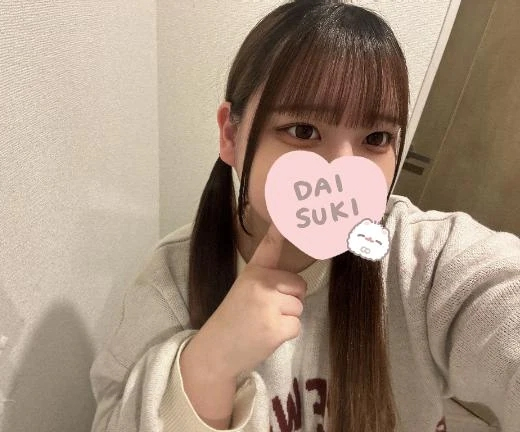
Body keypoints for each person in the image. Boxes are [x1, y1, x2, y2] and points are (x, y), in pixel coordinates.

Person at [89, 1, 520, 431]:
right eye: (303, 131)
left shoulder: (423, 260)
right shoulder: (170, 285)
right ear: (231, 135)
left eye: (376, 137)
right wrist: (209, 365)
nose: (343, 170)